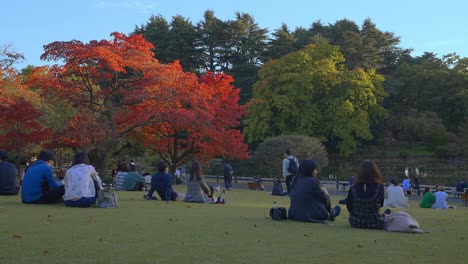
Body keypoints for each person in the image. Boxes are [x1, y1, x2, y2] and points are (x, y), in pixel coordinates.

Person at [346, 160, 386, 230]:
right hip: (374, 221)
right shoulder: (379, 187)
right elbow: (381, 204)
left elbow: (349, 206)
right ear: (375, 172)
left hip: (355, 221)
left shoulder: (353, 187)